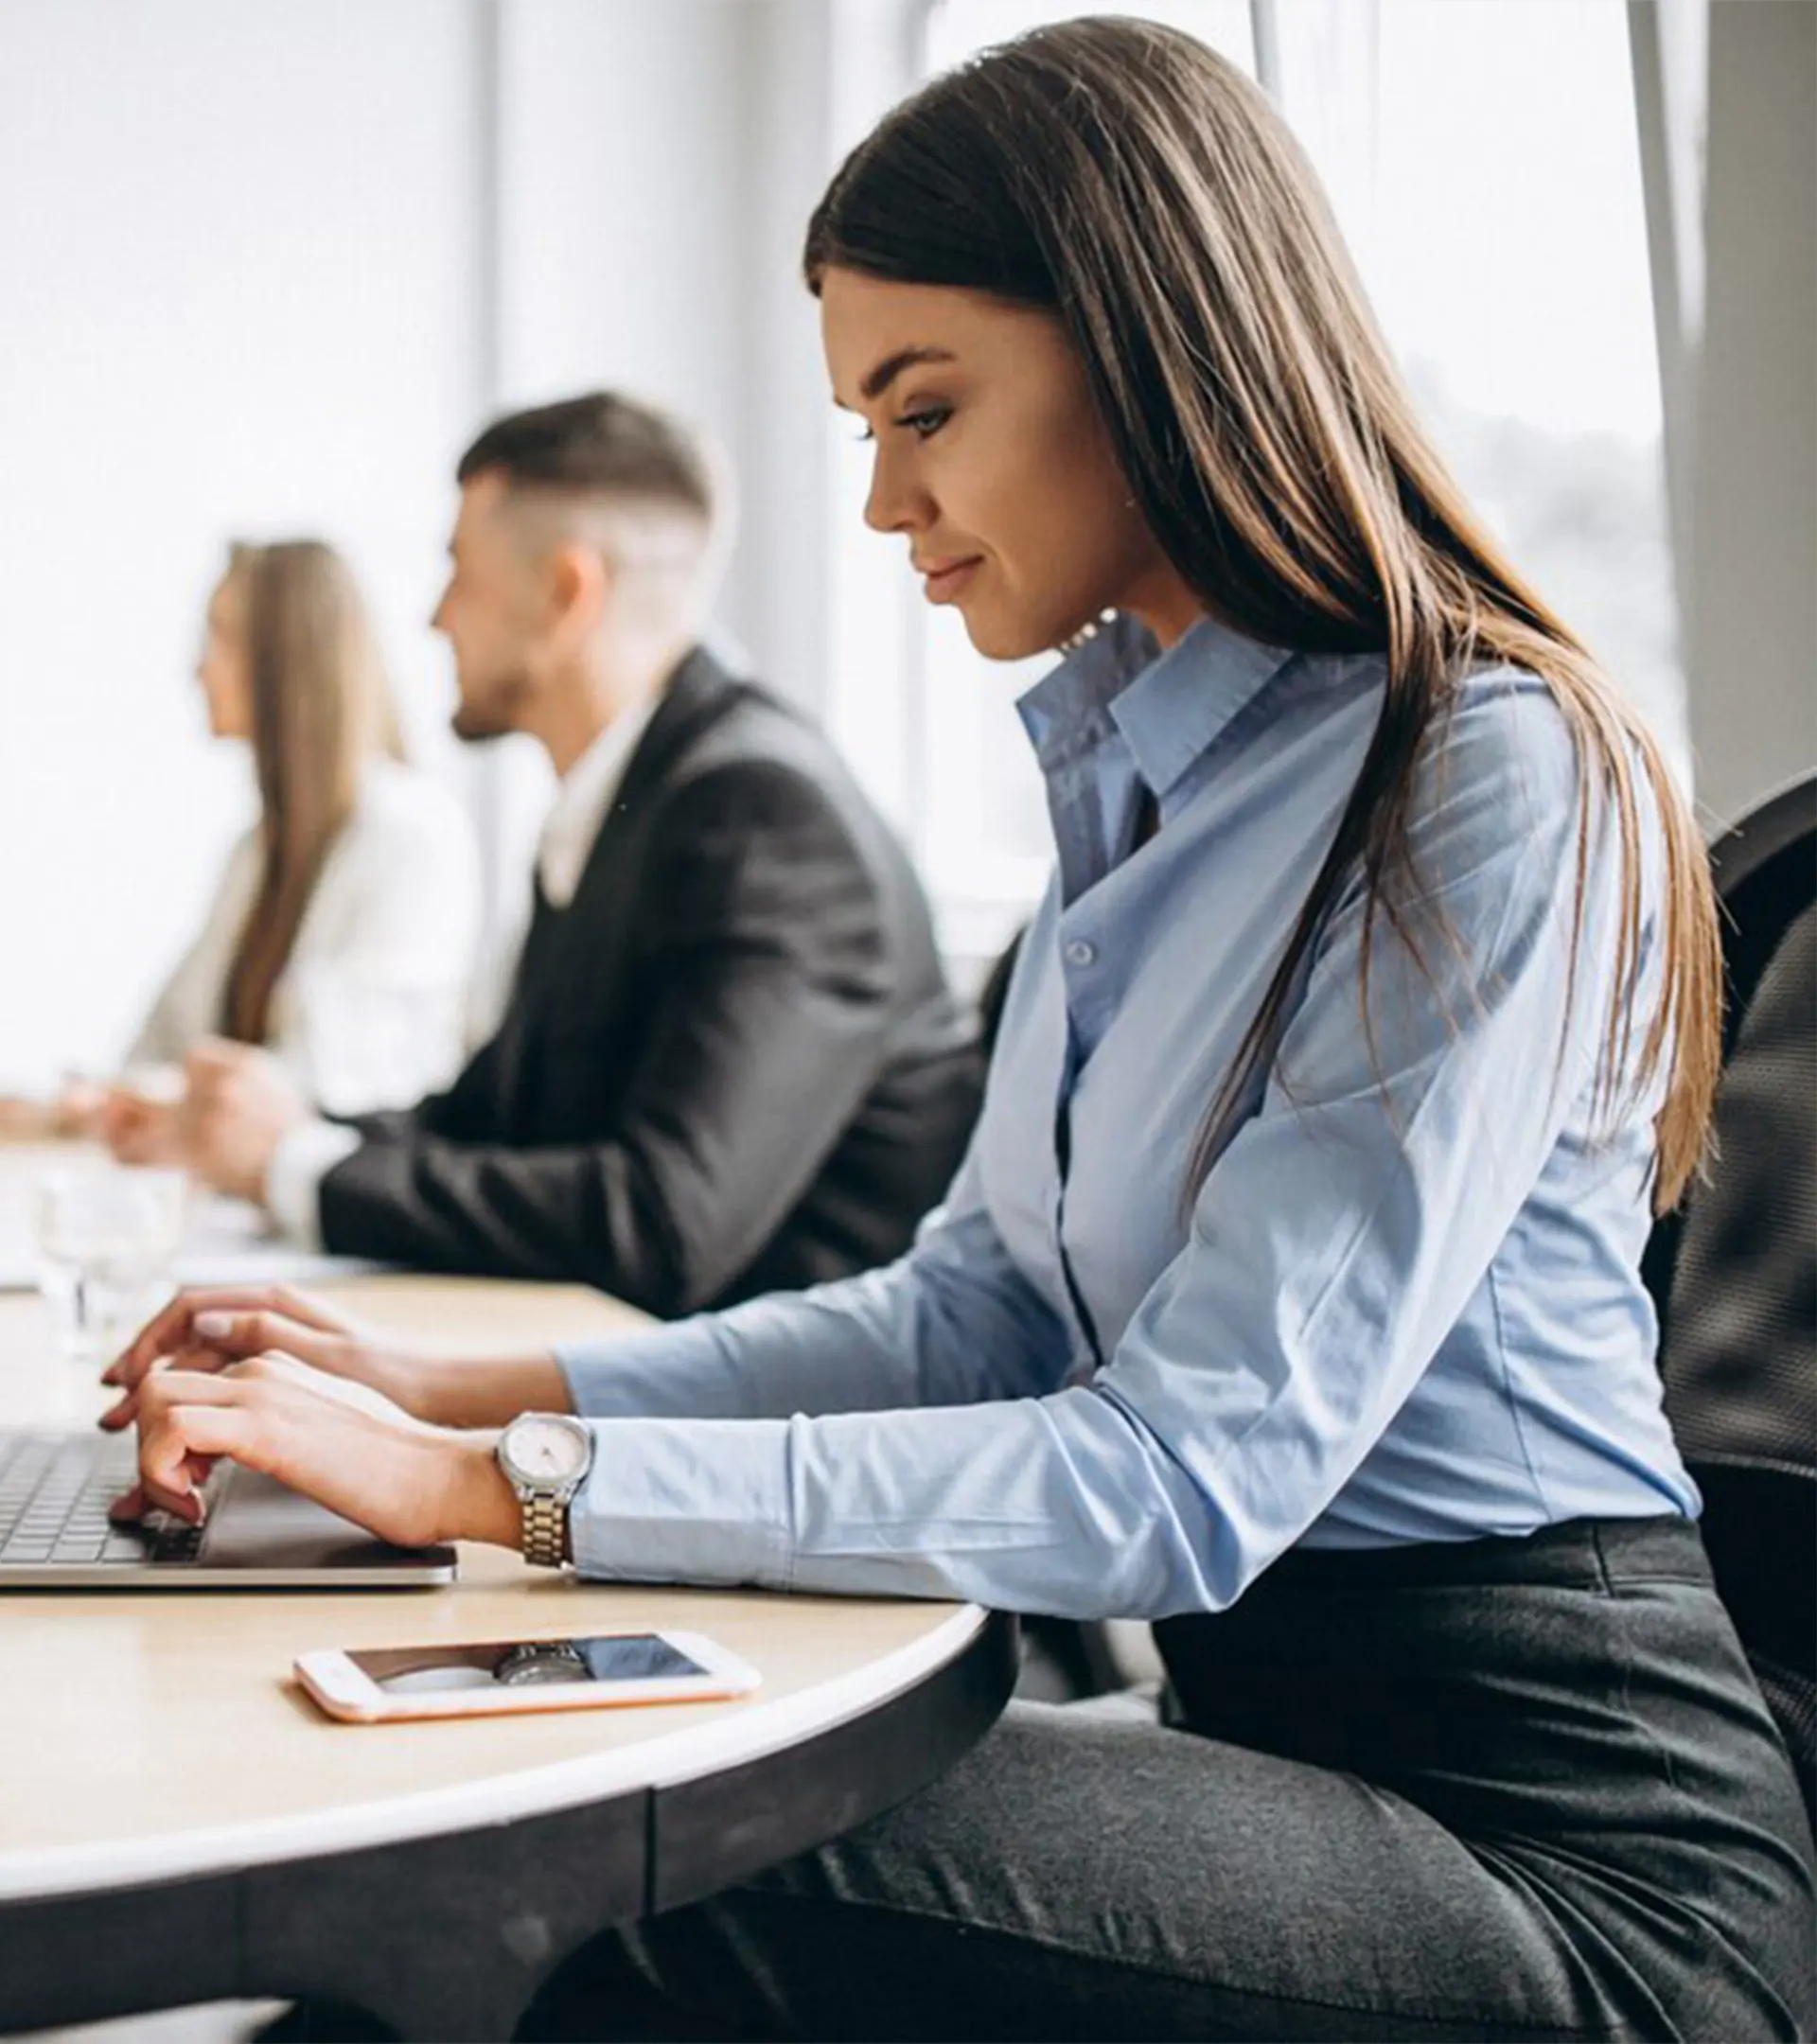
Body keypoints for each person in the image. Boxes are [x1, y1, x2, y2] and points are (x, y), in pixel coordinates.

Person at [105, 21, 1814, 2040]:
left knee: (577, 1876)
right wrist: (443, 1389)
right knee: (519, 1824)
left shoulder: (1480, 772)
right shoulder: (1139, 787)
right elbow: (969, 1314)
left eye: (927, 410)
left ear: (1156, 348)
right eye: (864, 426)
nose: (885, 502)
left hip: (1566, 1847)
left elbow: (1179, 1478)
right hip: (1287, 1743)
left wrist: (497, 1484)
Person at [171, 391, 980, 1312]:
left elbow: (663, 1223)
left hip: (792, 1420)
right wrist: (286, 1127)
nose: (436, 618)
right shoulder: (630, 797)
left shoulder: (766, 818)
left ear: (565, 593)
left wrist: (292, 1166)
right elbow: (491, 1124)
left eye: (458, 572)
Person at [0, 540, 480, 1153]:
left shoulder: (412, 834)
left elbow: (333, 1081)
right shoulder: (255, 854)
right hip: (236, 1216)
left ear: (288, 658)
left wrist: (126, 1102)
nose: (197, 668)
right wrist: (73, 1106)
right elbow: (166, 1043)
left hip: (341, 1212)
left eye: (221, 637)